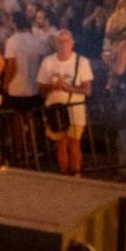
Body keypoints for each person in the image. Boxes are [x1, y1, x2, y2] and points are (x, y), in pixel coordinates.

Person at [36, 29, 94, 177]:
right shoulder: (48, 62)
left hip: (74, 110)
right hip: (55, 109)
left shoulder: (82, 62)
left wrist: (66, 87)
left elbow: (87, 90)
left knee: (74, 144)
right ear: (55, 43)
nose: (63, 45)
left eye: (66, 41)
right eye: (60, 41)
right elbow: (41, 89)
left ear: (72, 43)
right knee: (60, 145)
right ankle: (64, 174)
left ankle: (76, 174)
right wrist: (53, 87)